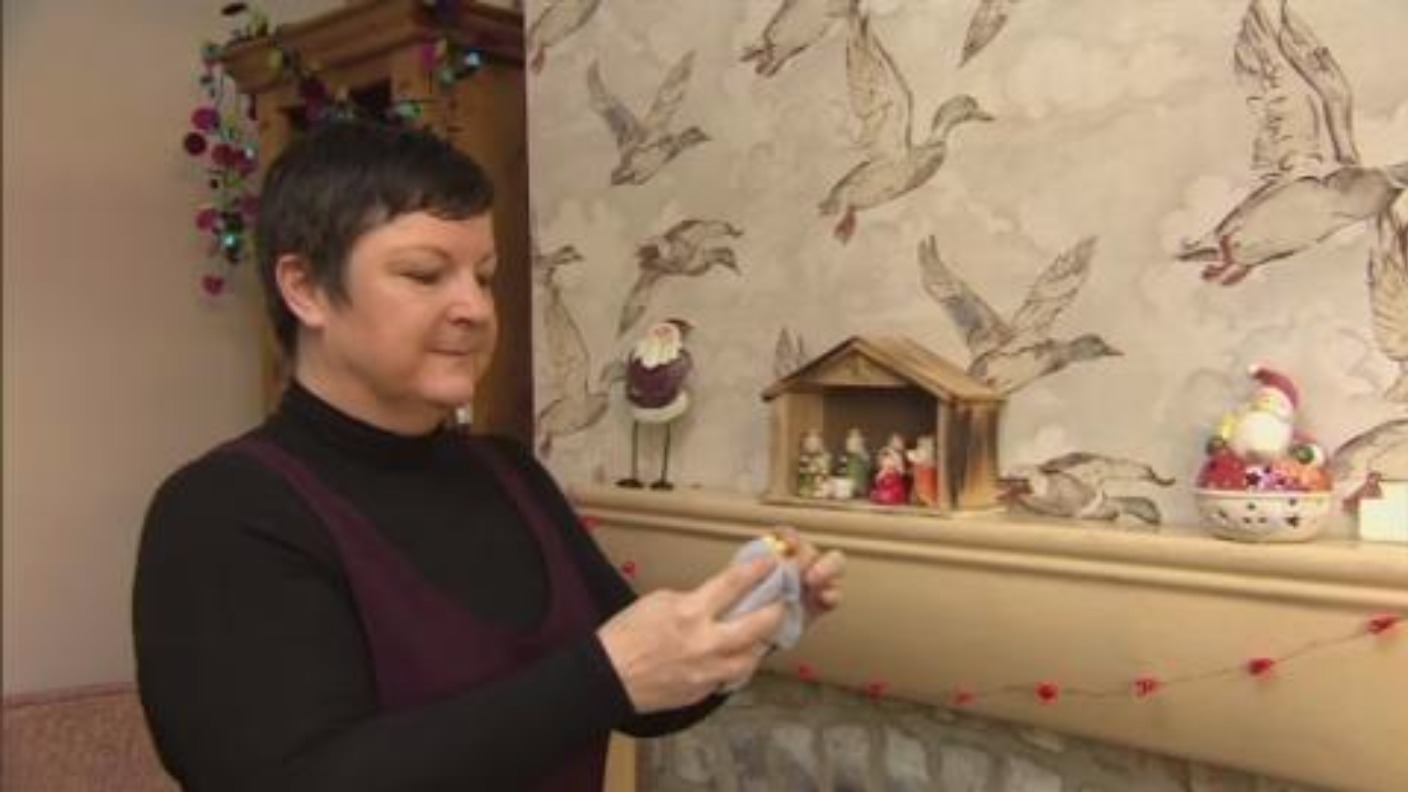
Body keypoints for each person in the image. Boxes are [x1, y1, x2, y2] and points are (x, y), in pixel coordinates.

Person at [133, 121, 845, 791]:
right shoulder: (225, 511)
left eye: (484, 275)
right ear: (306, 288)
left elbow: (641, 700)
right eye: (424, 274)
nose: (474, 308)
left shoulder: (511, 474)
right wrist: (601, 678)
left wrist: (745, 625)